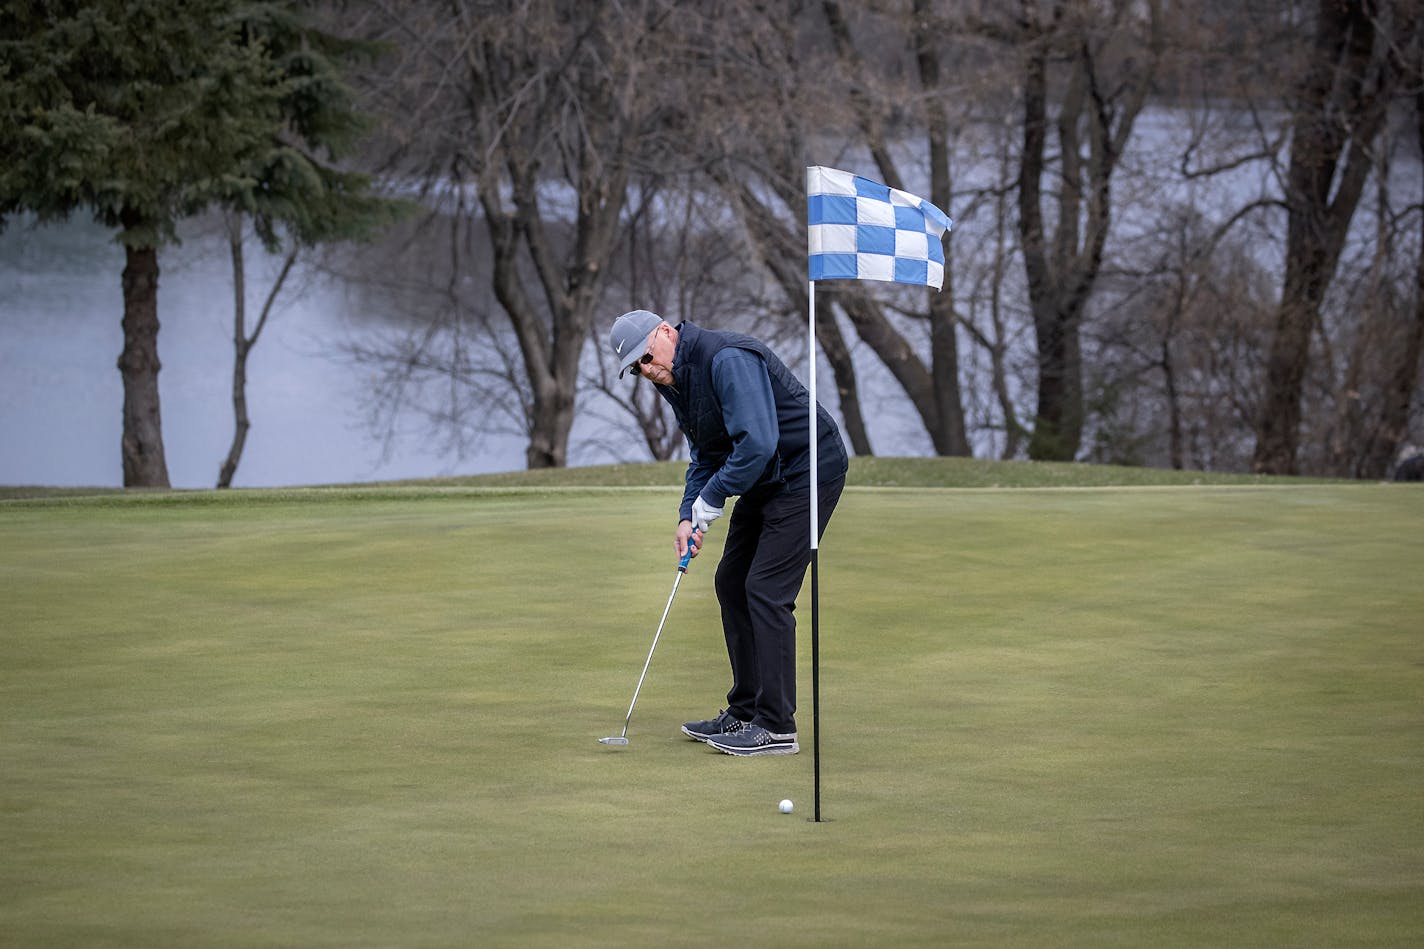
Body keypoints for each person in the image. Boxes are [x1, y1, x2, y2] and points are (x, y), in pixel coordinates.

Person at [607, 309, 848, 756]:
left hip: (808, 469)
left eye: (645, 357)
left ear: (664, 332)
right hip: (764, 476)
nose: (645, 369)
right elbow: (706, 453)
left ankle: (776, 727)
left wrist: (713, 497)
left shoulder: (726, 358)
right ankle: (746, 711)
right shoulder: (673, 379)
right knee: (731, 582)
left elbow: (757, 443)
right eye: (636, 367)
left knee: (766, 589)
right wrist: (687, 514)